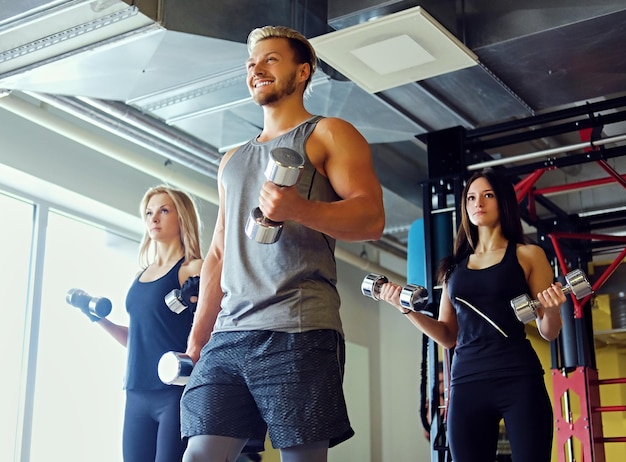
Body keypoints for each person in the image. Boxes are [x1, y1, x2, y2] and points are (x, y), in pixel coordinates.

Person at [180, 25, 385, 462]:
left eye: (271, 59)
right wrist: (199, 336)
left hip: (298, 325)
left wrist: (300, 208)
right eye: (252, 63)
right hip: (229, 333)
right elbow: (218, 250)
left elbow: (371, 219)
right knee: (199, 455)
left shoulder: (328, 133)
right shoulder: (231, 160)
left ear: (303, 71)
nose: (257, 69)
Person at [378, 168, 565, 462]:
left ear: (502, 201)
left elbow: (549, 330)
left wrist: (552, 308)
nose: (478, 203)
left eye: (487, 195)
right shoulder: (453, 268)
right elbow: (448, 335)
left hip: (518, 377)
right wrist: (407, 310)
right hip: (467, 382)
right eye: (471, 198)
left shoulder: (529, 255)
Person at [85, 185, 204, 462]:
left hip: (173, 392)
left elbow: (211, 329)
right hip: (136, 391)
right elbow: (139, 338)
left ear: (182, 217)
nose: (154, 218)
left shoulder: (193, 269)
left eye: (164, 210)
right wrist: (100, 321)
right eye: (149, 213)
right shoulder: (141, 275)